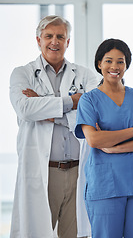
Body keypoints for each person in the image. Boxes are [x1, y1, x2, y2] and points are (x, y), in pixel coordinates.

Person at [9, 15, 98, 238]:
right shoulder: (22, 74)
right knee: (37, 232)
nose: (54, 41)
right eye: (48, 36)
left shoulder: (85, 75)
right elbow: (26, 109)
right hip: (43, 170)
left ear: (68, 42)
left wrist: (47, 108)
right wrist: (73, 101)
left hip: (78, 170)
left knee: (76, 234)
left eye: (60, 36)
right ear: (38, 40)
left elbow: (96, 112)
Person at [74, 38, 133, 238]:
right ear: (99, 64)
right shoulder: (89, 100)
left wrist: (116, 146)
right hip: (105, 186)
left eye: (120, 61)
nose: (114, 66)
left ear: (126, 65)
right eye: (108, 61)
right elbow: (94, 140)